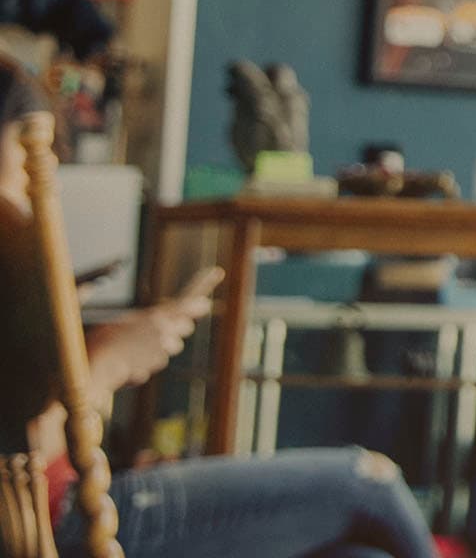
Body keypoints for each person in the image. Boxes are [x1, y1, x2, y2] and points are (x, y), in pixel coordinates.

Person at [0, 62, 435, 558]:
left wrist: (87, 349)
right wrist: (104, 364)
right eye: (24, 157)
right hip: (63, 518)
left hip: (77, 494)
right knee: (369, 479)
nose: (38, 184)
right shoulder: (10, 241)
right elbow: (19, 458)